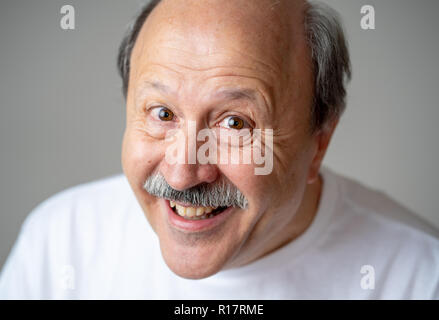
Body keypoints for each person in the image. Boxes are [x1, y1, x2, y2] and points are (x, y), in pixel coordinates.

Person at [1, 0, 438, 299]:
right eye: (162, 114)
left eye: (235, 123)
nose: (181, 173)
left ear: (318, 142)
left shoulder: (419, 277)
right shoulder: (59, 243)